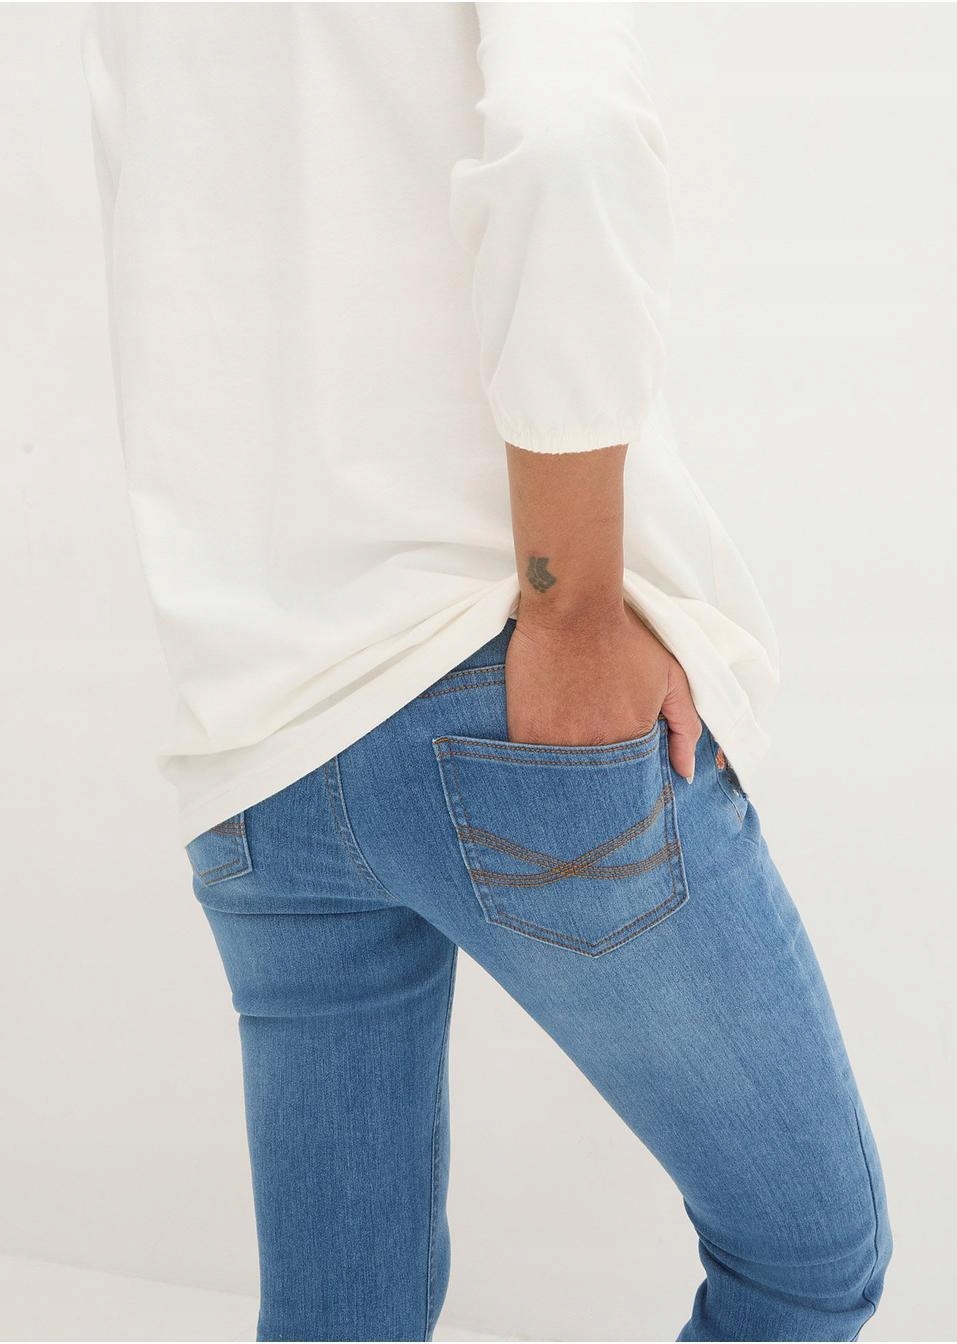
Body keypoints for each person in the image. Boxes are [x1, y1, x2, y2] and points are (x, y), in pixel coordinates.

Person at [82, 4, 891, 1340]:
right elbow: (568, 130)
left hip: (253, 723)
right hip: (498, 666)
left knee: (341, 1322)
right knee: (805, 1262)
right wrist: (571, 614)